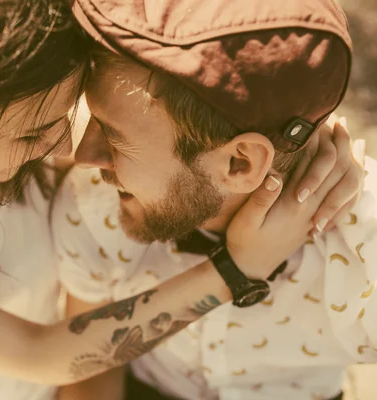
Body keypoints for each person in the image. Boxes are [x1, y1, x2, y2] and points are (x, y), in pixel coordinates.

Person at [0, 0, 365, 400]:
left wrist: (302, 135)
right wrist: (241, 267)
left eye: (68, 112)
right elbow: (47, 352)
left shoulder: (35, 131)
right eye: (34, 134)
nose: (66, 152)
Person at [53, 1, 374, 400]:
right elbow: (89, 372)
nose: (83, 157)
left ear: (240, 164)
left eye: (115, 136)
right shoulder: (94, 206)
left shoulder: (363, 248)